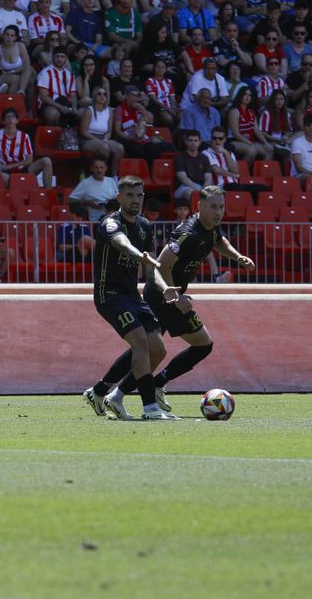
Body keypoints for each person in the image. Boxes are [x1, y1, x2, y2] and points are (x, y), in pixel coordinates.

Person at [101, 185, 256, 412]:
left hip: (170, 295)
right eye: (213, 207)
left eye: (221, 207)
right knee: (202, 345)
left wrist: (237, 256)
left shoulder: (210, 226)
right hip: (163, 296)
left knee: (147, 349)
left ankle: (112, 393)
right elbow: (162, 264)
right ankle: (152, 386)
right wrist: (175, 294)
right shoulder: (187, 233)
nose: (218, 212)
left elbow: (218, 240)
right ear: (199, 206)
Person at [80, 174, 177, 422]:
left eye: (139, 195)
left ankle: (107, 393)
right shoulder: (110, 223)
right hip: (108, 295)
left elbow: (151, 269)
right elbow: (122, 244)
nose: (135, 200)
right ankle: (150, 409)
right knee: (140, 343)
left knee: (158, 350)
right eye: (130, 195)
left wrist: (164, 287)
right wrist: (138, 255)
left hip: (133, 296)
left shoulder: (144, 225)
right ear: (119, 197)